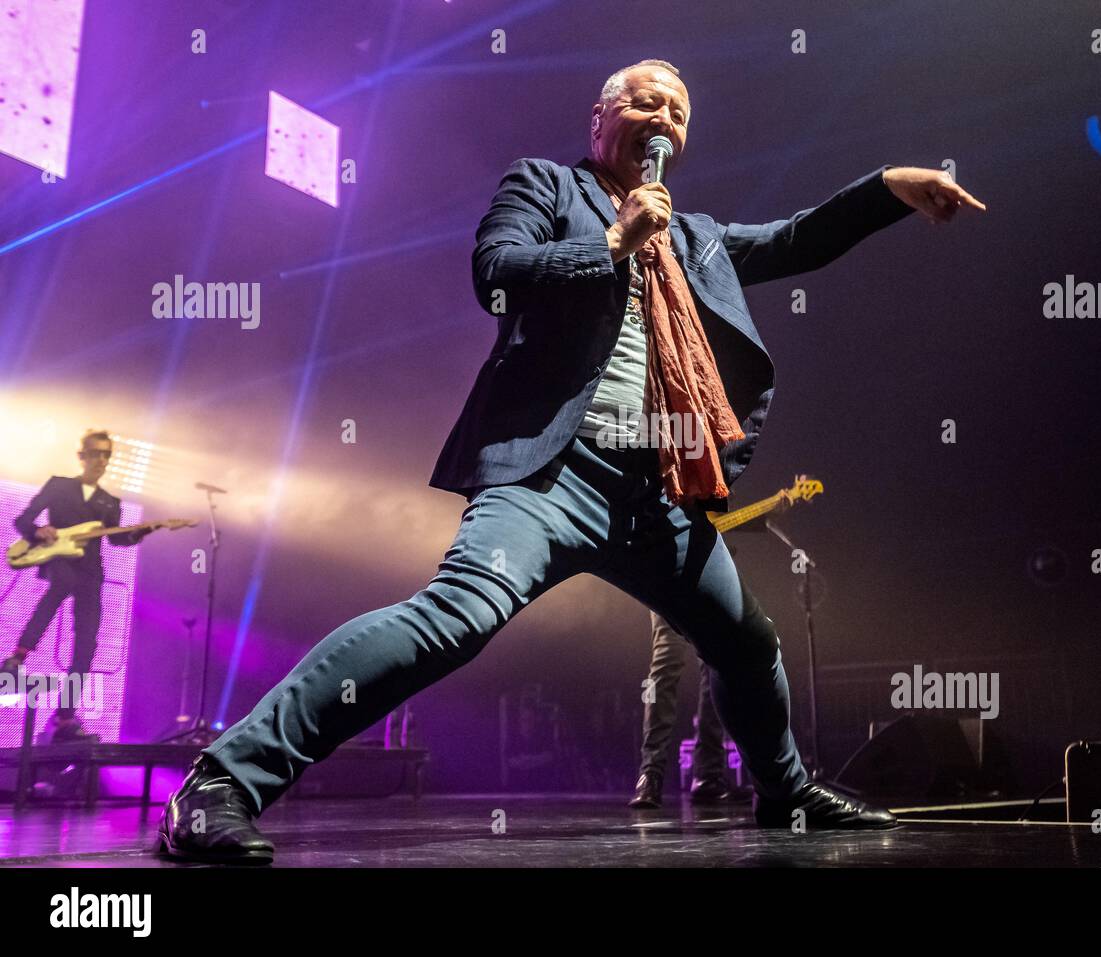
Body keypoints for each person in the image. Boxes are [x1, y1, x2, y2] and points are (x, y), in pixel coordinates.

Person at [159, 58, 985, 864]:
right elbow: (497, 272)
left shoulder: (696, 240)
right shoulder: (547, 186)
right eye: (647, 102)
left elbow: (799, 238)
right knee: (455, 618)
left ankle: (787, 789)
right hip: (552, 473)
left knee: (745, 642)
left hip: (658, 489)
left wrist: (887, 189)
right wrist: (613, 243)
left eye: (679, 113)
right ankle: (222, 778)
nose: (664, 120)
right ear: (600, 121)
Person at [3, 430, 154, 741]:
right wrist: (38, 531)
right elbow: (23, 519)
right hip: (59, 558)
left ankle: (64, 717)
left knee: (86, 644)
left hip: (90, 572)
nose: (101, 460)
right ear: (82, 456)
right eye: (96, 453)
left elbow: (115, 539)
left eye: (107, 455)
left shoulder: (109, 502)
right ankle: (16, 658)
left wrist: (137, 533)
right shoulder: (59, 485)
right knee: (59, 586)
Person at [629, 609, 751, 808]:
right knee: (668, 661)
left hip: (697, 579)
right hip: (668, 580)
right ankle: (652, 775)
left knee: (712, 664)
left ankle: (705, 777)